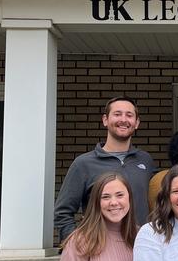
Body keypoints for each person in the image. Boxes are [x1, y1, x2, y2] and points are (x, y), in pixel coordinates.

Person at [54, 96, 155, 240]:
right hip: (101, 253)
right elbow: (62, 212)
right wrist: (77, 245)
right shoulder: (83, 164)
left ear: (136, 123)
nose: (123, 119)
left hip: (140, 249)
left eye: (129, 115)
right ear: (105, 120)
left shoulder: (145, 160)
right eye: (117, 114)